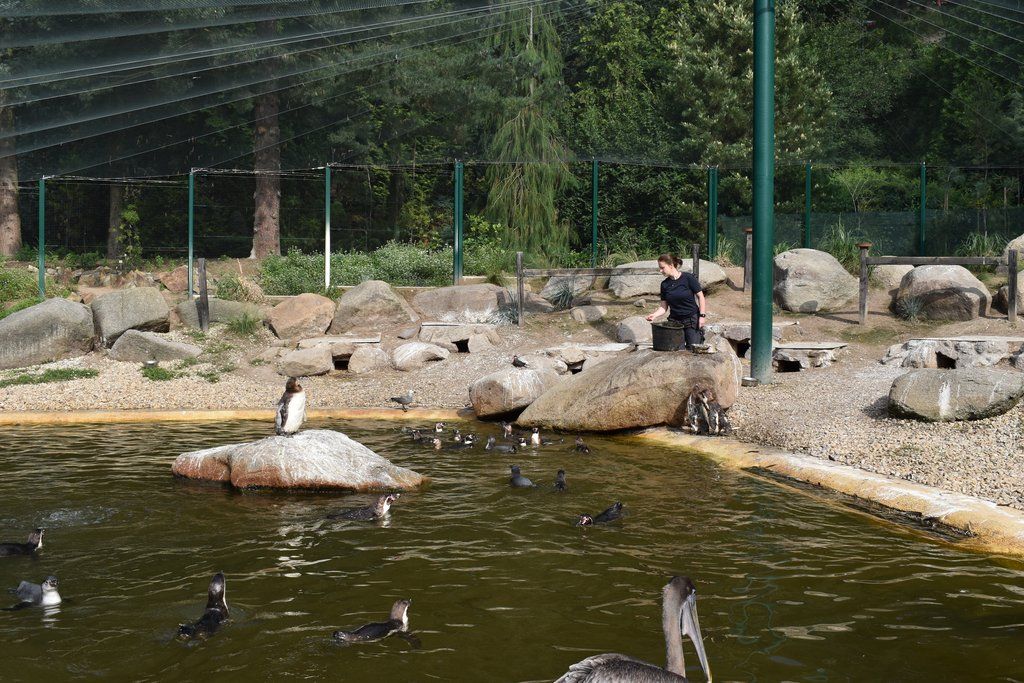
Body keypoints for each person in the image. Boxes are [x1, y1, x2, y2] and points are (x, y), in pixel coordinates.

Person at [645, 253, 706, 349]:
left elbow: (701, 297)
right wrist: (654, 315)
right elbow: (663, 307)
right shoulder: (664, 284)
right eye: (660, 268)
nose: (660, 271)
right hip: (675, 321)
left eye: (662, 268)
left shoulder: (688, 278)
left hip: (691, 319)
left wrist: (702, 316)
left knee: (693, 349)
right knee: (676, 350)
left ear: (671, 265)